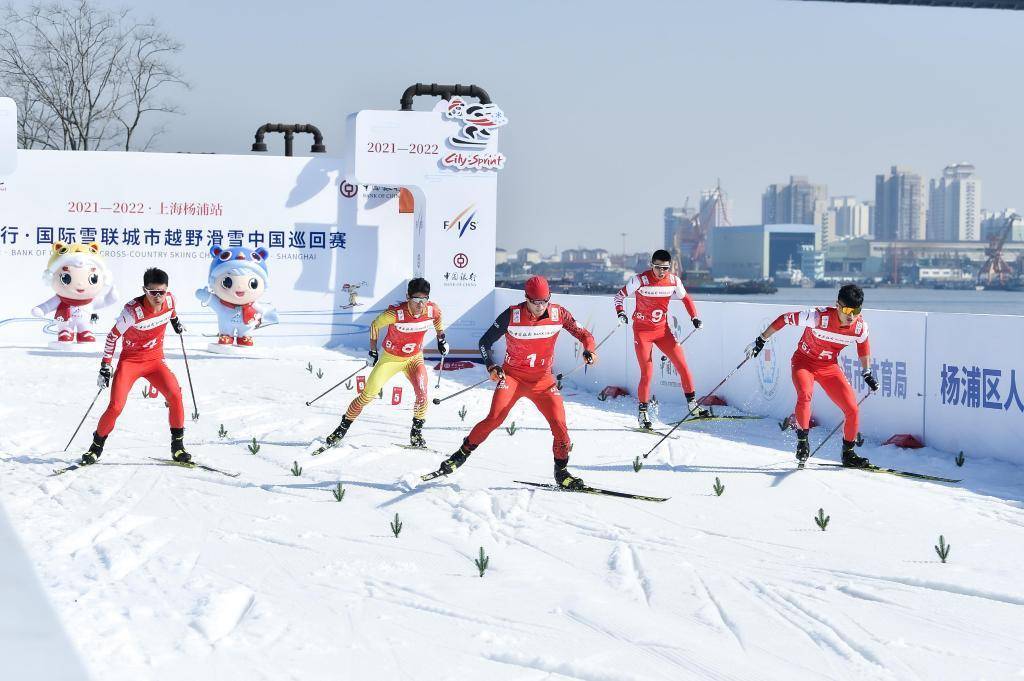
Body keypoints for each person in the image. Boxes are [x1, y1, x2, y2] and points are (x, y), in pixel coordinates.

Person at [433, 275, 597, 490]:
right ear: (526, 298)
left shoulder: (559, 313)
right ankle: (461, 454)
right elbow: (485, 341)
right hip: (512, 378)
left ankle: (562, 472)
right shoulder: (512, 314)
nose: (540, 307)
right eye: (535, 302)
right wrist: (491, 366)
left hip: (543, 381)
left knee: (560, 426)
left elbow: (584, 334)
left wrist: (589, 350)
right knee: (494, 419)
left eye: (544, 301)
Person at [747, 283, 879, 467]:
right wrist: (762, 339)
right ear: (837, 305)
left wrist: (867, 372)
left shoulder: (860, 327)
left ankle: (848, 454)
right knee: (805, 395)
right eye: (847, 309)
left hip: (828, 367)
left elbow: (863, 347)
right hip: (804, 363)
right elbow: (784, 319)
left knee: (852, 409)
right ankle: (802, 443)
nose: (851, 316)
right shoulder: (817, 316)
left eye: (856, 310)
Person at [323, 278, 447, 448]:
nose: (420, 305)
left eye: (424, 300)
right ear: (407, 297)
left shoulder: (432, 310)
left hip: (414, 358)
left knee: (423, 394)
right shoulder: (396, 314)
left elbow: (438, 320)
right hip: (391, 359)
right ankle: (341, 429)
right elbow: (375, 325)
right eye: (416, 300)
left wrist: (441, 339)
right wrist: (373, 351)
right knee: (368, 395)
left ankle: (416, 434)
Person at [81, 268, 188, 465]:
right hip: (131, 363)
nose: (158, 297)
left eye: (161, 292)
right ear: (144, 290)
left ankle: (178, 448)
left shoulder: (171, 300)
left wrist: (175, 321)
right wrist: (105, 366)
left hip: (155, 361)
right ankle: (95, 448)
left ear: (167, 290)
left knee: (175, 395)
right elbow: (112, 337)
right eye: (152, 292)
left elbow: (171, 311)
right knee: (115, 407)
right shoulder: (132, 312)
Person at [613, 248, 708, 429]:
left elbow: (686, 299)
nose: (661, 272)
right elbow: (619, 296)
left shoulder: (673, 281)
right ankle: (643, 414)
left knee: (682, 365)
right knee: (647, 373)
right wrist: (621, 313)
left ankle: (693, 405)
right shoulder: (640, 280)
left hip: (662, 331)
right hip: (642, 333)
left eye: (665, 268)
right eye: (658, 268)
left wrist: (694, 317)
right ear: (652, 265)